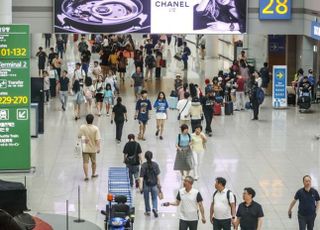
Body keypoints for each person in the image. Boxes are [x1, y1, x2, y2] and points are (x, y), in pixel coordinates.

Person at [78, 114, 101, 181]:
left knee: (85, 162)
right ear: (93, 120)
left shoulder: (82, 127)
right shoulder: (95, 129)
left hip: (85, 148)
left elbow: (79, 136)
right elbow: (98, 139)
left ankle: (86, 176)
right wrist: (98, 148)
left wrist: (84, 139)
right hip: (93, 149)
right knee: (94, 162)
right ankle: (93, 174)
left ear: (86, 120)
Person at [139, 151, 161, 218]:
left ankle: (148, 211)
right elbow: (158, 176)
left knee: (146, 198)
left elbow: (141, 178)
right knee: (154, 198)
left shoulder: (143, 165)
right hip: (154, 184)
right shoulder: (155, 165)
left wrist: (140, 187)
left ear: (145, 157)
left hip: (146, 185)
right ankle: (155, 208)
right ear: (152, 156)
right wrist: (159, 185)